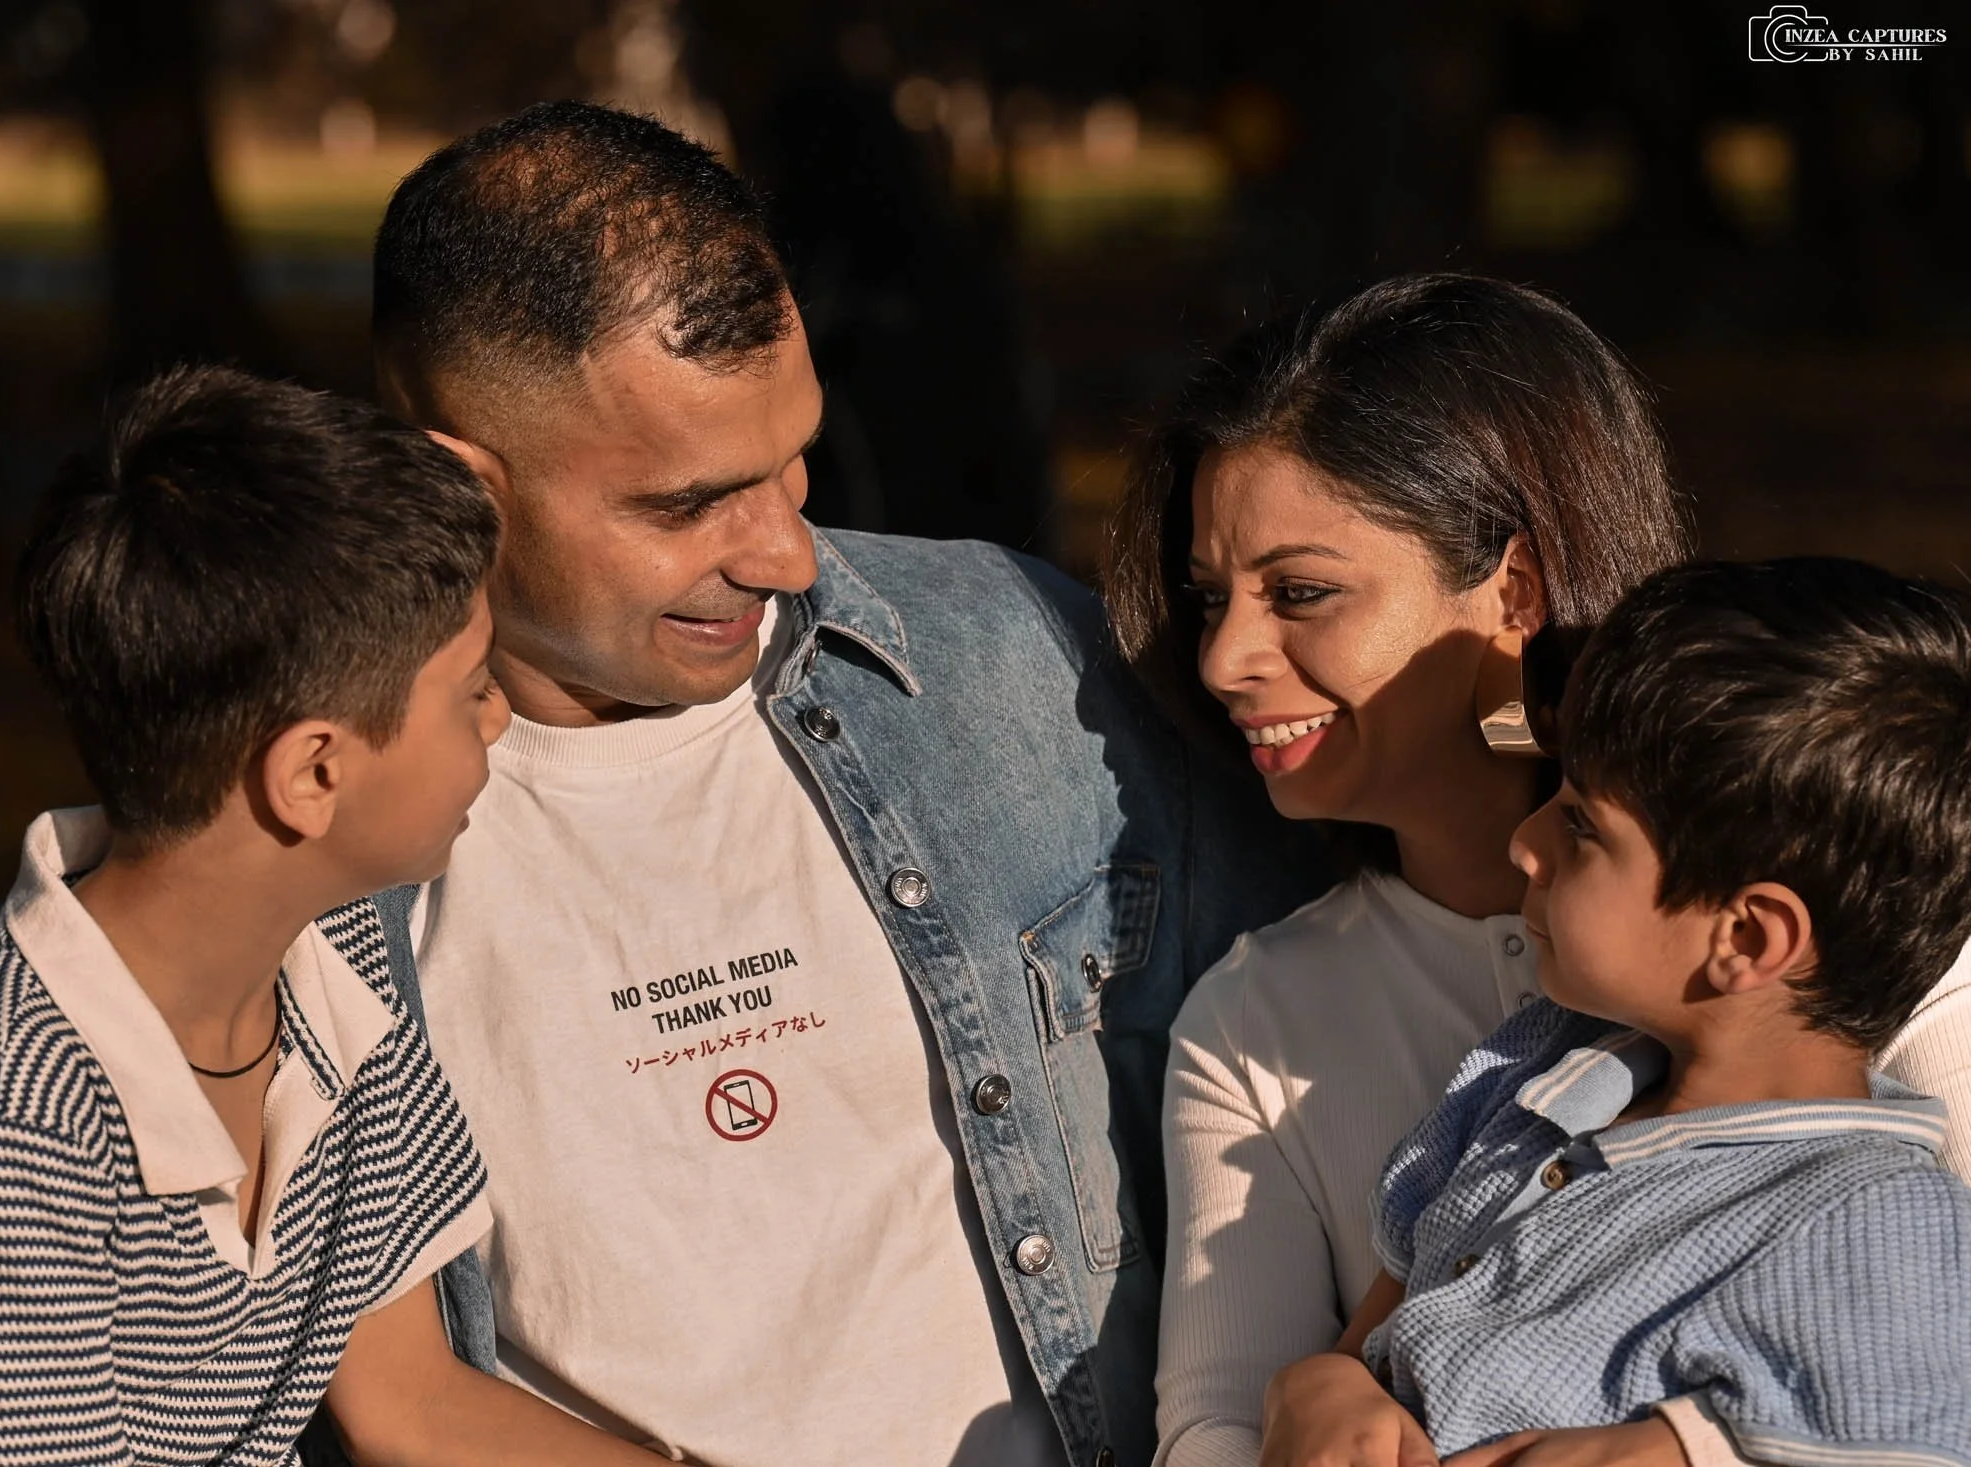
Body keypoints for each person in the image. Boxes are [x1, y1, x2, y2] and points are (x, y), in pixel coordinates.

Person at [368, 101, 1316, 1467]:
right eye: (690, 502)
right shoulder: (319, 832)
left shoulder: (1016, 661)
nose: (787, 555)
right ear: (460, 482)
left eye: (793, 461)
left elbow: (1336, 1091)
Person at [1106, 275, 1971, 1467]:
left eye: (1300, 592)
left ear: (1513, 590)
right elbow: (1212, 1420)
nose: (1223, 658)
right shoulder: (1256, 1017)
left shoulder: (1888, 940)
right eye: (1210, 599)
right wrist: (1305, 1392)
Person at [0, 368, 656, 1465]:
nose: (501, 708)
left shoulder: (332, 979)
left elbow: (414, 1402)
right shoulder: (6, 1122)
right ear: (312, 774)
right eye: (469, 684)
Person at [1269, 557, 1971, 1467]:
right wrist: (1322, 1386)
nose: (1525, 844)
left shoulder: (1881, 1218)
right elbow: (1375, 1336)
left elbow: (1916, 1430)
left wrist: (1680, 1449)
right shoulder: (1535, 1079)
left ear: (1750, 937)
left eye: (1582, 825)